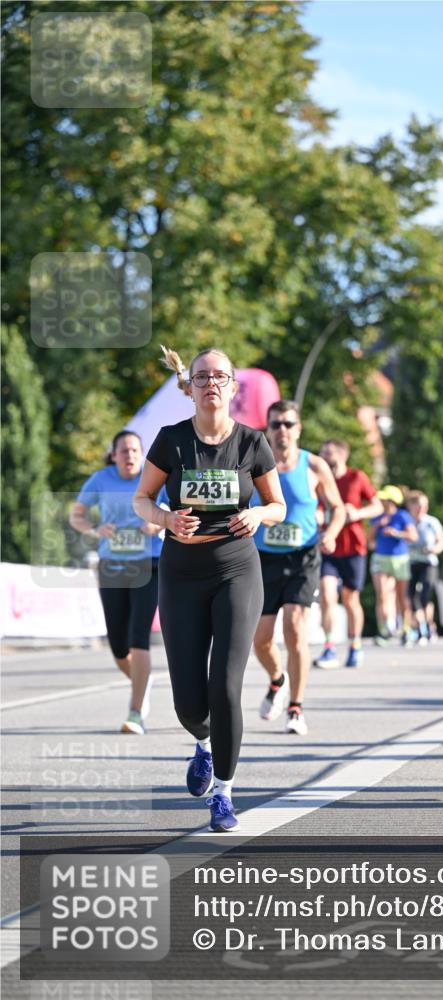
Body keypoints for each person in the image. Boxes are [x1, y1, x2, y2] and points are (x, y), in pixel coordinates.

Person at [133, 346, 286, 833]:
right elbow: (141, 498)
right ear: (191, 387)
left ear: (233, 387)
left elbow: (277, 505)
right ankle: (202, 743)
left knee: (225, 685)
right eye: (202, 377)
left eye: (220, 376)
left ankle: (224, 793)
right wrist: (164, 518)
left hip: (237, 570)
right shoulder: (171, 441)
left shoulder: (252, 442)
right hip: (181, 573)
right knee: (189, 703)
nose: (211, 383)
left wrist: (257, 514)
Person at [252, 401, 345, 735]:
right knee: (261, 641)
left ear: (298, 429)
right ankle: (278, 680)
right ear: (267, 428)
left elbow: (338, 508)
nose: (282, 431)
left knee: (294, 628)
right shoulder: (253, 464)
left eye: (289, 424)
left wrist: (331, 534)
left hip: (303, 556)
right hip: (264, 558)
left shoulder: (315, 465)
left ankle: (296, 707)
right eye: (276, 424)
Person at [70, 430, 165, 735]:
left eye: (135, 450)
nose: (130, 456)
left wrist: (157, 522)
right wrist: (96, 529)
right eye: (123, 451)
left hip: (149, 563)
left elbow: (173, 510)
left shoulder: (154, 476)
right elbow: (77, 516)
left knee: (139, 637)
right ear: (113, 455)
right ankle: (142, 680)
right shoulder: (100, 479)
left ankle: (135, 712)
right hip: (112, 565)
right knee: (118, 645)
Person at [314, 439, 383, 669]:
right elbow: (314, 506)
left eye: (328, 450)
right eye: (322, 451)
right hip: (328, 545)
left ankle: (355, 645)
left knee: (350, 598)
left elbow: (378, 507)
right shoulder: (320, 480)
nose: (324, 454)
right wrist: (317, 516)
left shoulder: (357, 478)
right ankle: (329, 646)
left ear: (343, 454)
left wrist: (358, 513)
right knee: (326, 593)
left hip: (353, 546)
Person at [369, 486, 418, 645]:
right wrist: (377, 526)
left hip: (399, 559)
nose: (381, 502)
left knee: (402, 596)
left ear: (392, 502)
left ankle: (406, 629)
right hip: (380, 558)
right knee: (382, 594)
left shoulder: (402, 516)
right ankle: (385, 630)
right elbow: (368, 538)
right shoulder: (377, 517)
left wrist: (396, 533)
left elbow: (413, 536)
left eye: (384, 500)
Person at [405, 491, 443, 644]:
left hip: (428, 562)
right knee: (411, 596)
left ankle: (429, 625)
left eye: (424, 505)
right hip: (410, 562)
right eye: (418, 505)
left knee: (425, 593)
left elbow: (442, 541)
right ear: (411, 506)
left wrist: (434, 549)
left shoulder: (431, 522)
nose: (422, 508)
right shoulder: (407, 521)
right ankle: (420, 626)